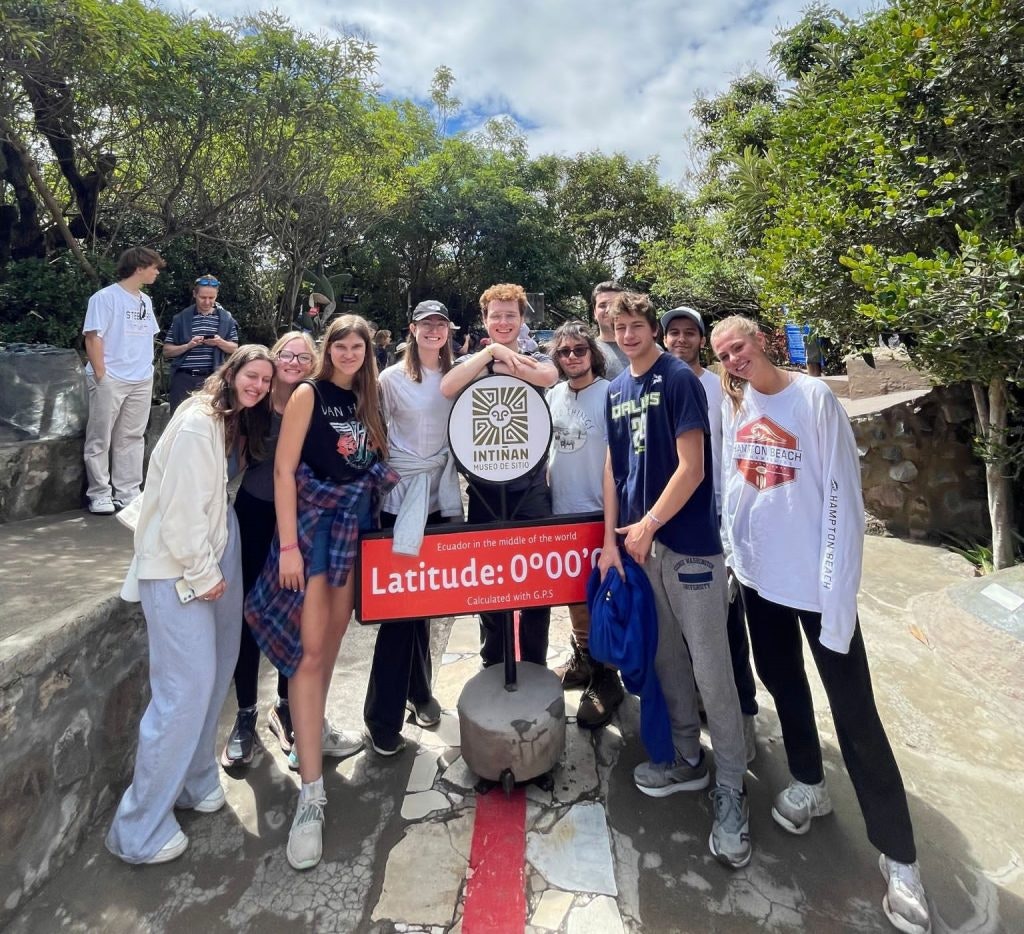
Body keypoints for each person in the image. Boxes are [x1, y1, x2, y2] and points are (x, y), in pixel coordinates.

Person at [711, 315, 930, 934]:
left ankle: (900, 857)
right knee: (784, 685)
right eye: (724, 352)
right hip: (759, 581)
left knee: (855, 712)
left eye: (740, 346)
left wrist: (836, 589)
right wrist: (735, 556)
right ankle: (809, 781)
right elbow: (735, 486)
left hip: (815, 584)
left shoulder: (814, 398)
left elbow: (841, 496)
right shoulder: (737, 401)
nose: (733, 358)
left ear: (763, 342)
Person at [598, 291, 751, 870]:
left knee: (712, 670)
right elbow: (614, 470)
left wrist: (650, 525)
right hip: (638, 550)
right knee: (666, 663)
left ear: (653, 330)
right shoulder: (616, 391)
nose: (630, 335)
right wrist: (611, 542)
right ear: (611, 332)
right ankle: (689, 759)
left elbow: (693, 466)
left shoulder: (679, 379)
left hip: (687, 547)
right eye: (621, 327)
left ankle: (732, 786)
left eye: (638, 325)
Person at [105, 346, 274, 865]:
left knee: (216, 673)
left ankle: (195, 778)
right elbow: (179, 513)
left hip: (212, 552)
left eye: (266, 380)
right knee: (183, 691)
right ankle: (137, 829)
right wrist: (203, 573)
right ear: (233, 372)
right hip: (178, 568)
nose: (259, 385)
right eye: (253, 375)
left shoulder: (228, 421)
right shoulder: (200, 423)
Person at [245, 314, 397, 872]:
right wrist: (288, 546)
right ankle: (311, 795)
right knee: (308, 656)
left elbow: (362, 461)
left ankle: (318, 736)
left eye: (359, 344)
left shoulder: (365, 399)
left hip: (353, 531)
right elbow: (285, 471)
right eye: (341, 343)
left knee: (329, 649)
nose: (350, 352)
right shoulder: (310, 393)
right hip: (313, 532)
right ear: (327, 348)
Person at [440, 283, 559, 667]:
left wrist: (508, 362)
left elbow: (548, 377)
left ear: (522, 319)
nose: (504, 322)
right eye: (497, 316)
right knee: (488, 580)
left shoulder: (538, 355)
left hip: (532, 487)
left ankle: (535, 665)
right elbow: (448, 387)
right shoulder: (472, 359)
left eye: (511, 315)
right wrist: (491, 354)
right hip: (485, 486)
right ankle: (493, 662)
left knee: (537, 581)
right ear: (485, 320)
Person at [363, 300, 463, 755]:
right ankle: (381, 716)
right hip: (400, 498)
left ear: (448, 330)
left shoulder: (458, 375)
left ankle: (419, 692)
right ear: (412, 329)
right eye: (426, 324)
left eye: (440, 324)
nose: (433, 330)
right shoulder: (390, 379)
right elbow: (373, 430)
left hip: (440, 495)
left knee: (425, 601)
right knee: (400, 612)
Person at [661, 306, 758, 761]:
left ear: (701, 339)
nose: (680, 340)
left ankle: (744, 717)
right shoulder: (660, 384)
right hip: (675, 524)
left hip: (718, 521)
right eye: (673, 333)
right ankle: (698, 712)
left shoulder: (723, 386)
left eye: (689, 333)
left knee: (729, 629)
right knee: (686, 631)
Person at [220, 332, 317, 768]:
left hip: (299, 520)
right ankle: (245, 713)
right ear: (275, 358)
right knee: (247, 614)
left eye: (303, 355)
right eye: (286, 353)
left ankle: (285, 705)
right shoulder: (254, 404)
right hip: (255, 514)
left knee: (293, 612)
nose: (293, 361)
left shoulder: (316, 402)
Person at [546, 321, 623, 728]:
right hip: (562, 511)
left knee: (603, 597)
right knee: (574, 595)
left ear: (592, 353)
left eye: (579, 350)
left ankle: (607, 678)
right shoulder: (552, 394)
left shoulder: (610, 394)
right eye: (563, 352)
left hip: (599, 512)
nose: (572, 357)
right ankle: (585, 659)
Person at [82, 246, 165, 515]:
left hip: (140, 378)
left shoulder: (145, 301)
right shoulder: (104, 298)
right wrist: (101, 375)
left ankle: (128, 492)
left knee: (131, 436)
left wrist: (147, 369)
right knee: (100, 437)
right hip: (111, 377)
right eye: (153, 267)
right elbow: (93, 337)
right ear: (139, 267)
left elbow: (147, 336)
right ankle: (99, 494)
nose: (156, 272)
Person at [163, 275, 240, 414]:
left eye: (211, 298)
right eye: (203, 297)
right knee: (178, 419)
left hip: (212, 378)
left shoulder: (226, 319)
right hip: (183, 378)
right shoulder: (181, 318)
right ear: (194, 294)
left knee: (211, 419)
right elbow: (167, 351)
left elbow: (235, 348)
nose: (207, 302)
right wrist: (188, 346)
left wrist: (219, 342)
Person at [590, 280, 628, 378]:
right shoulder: (585, 351)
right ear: (594, 313)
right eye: (602, 305)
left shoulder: (647, 348)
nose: (608, 310)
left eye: (614, 304)